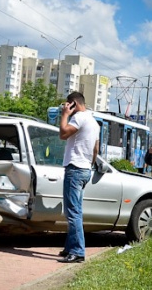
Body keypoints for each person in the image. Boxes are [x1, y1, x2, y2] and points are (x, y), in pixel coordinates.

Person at [57, 92, 99, 264]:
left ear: (73, 104)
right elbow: (96, 149)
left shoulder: (79, 117)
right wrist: (90, 165)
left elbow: (63, 133)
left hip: (75, 169)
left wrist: (65, 115)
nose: (67, 108)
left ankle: (78, 252)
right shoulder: (93, 121)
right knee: (75, 211)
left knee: (72, 212)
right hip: (85, 169)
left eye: (68, 105)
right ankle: (70, 247)